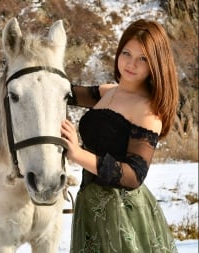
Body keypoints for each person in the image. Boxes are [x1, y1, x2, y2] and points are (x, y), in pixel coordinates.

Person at [61, 19, 179, 252]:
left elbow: (134, 175)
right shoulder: (107, 92)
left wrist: (77, 154)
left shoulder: (148, 110)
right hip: (90, 207)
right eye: (126, 53)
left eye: (143, 58)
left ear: (155, 64)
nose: (131, 64)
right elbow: (64, 92)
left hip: (122, 215)